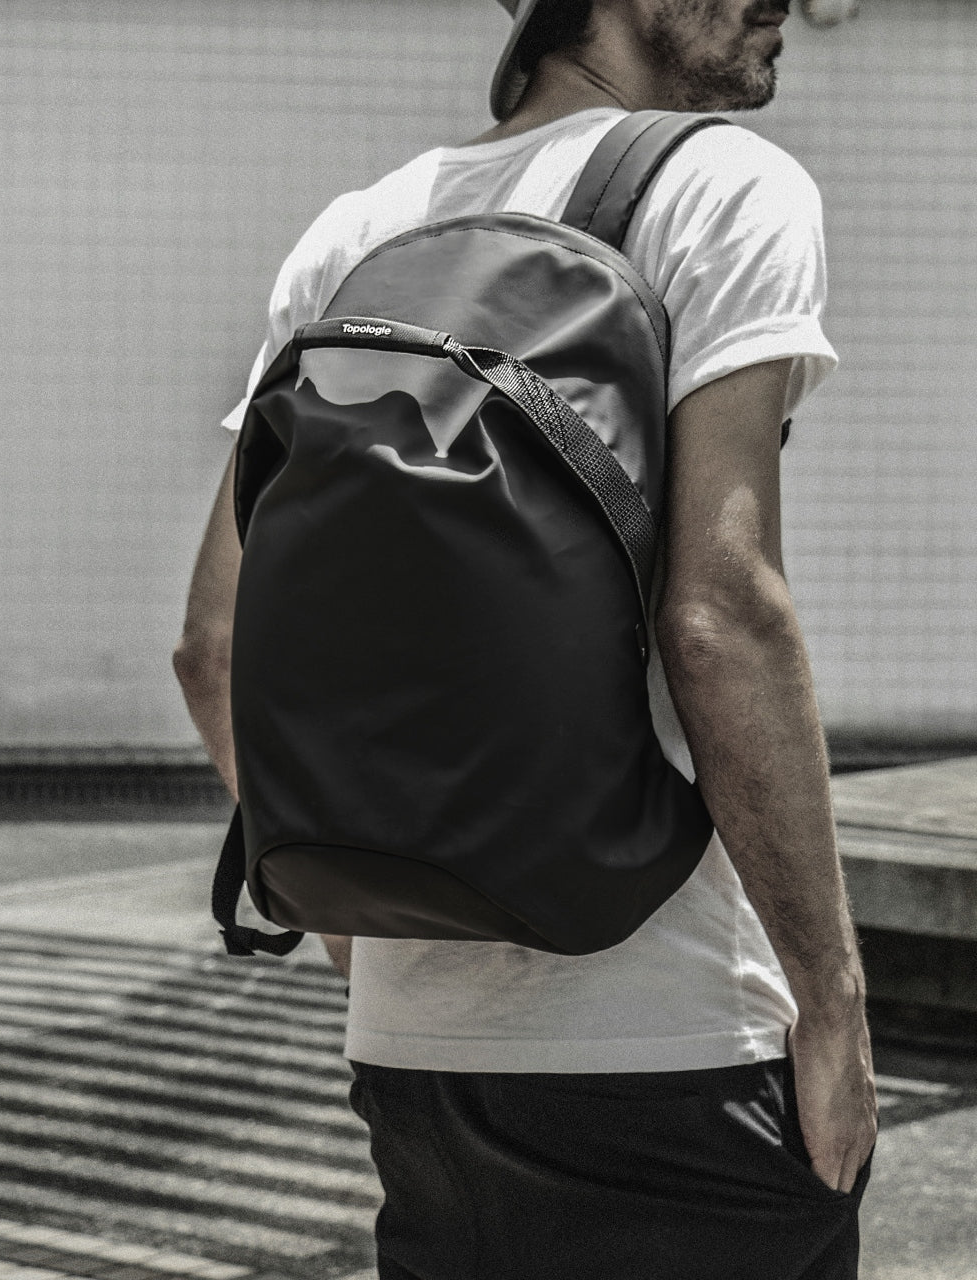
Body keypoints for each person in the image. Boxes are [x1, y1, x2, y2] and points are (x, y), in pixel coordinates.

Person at [174, 1, 879, 1276]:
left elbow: (211, 648)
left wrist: (364, 936)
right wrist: (832, 1002)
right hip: (676, 1040)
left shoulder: (357, 232)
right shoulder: (721, 184)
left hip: (415, 1069)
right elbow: (721, 613)